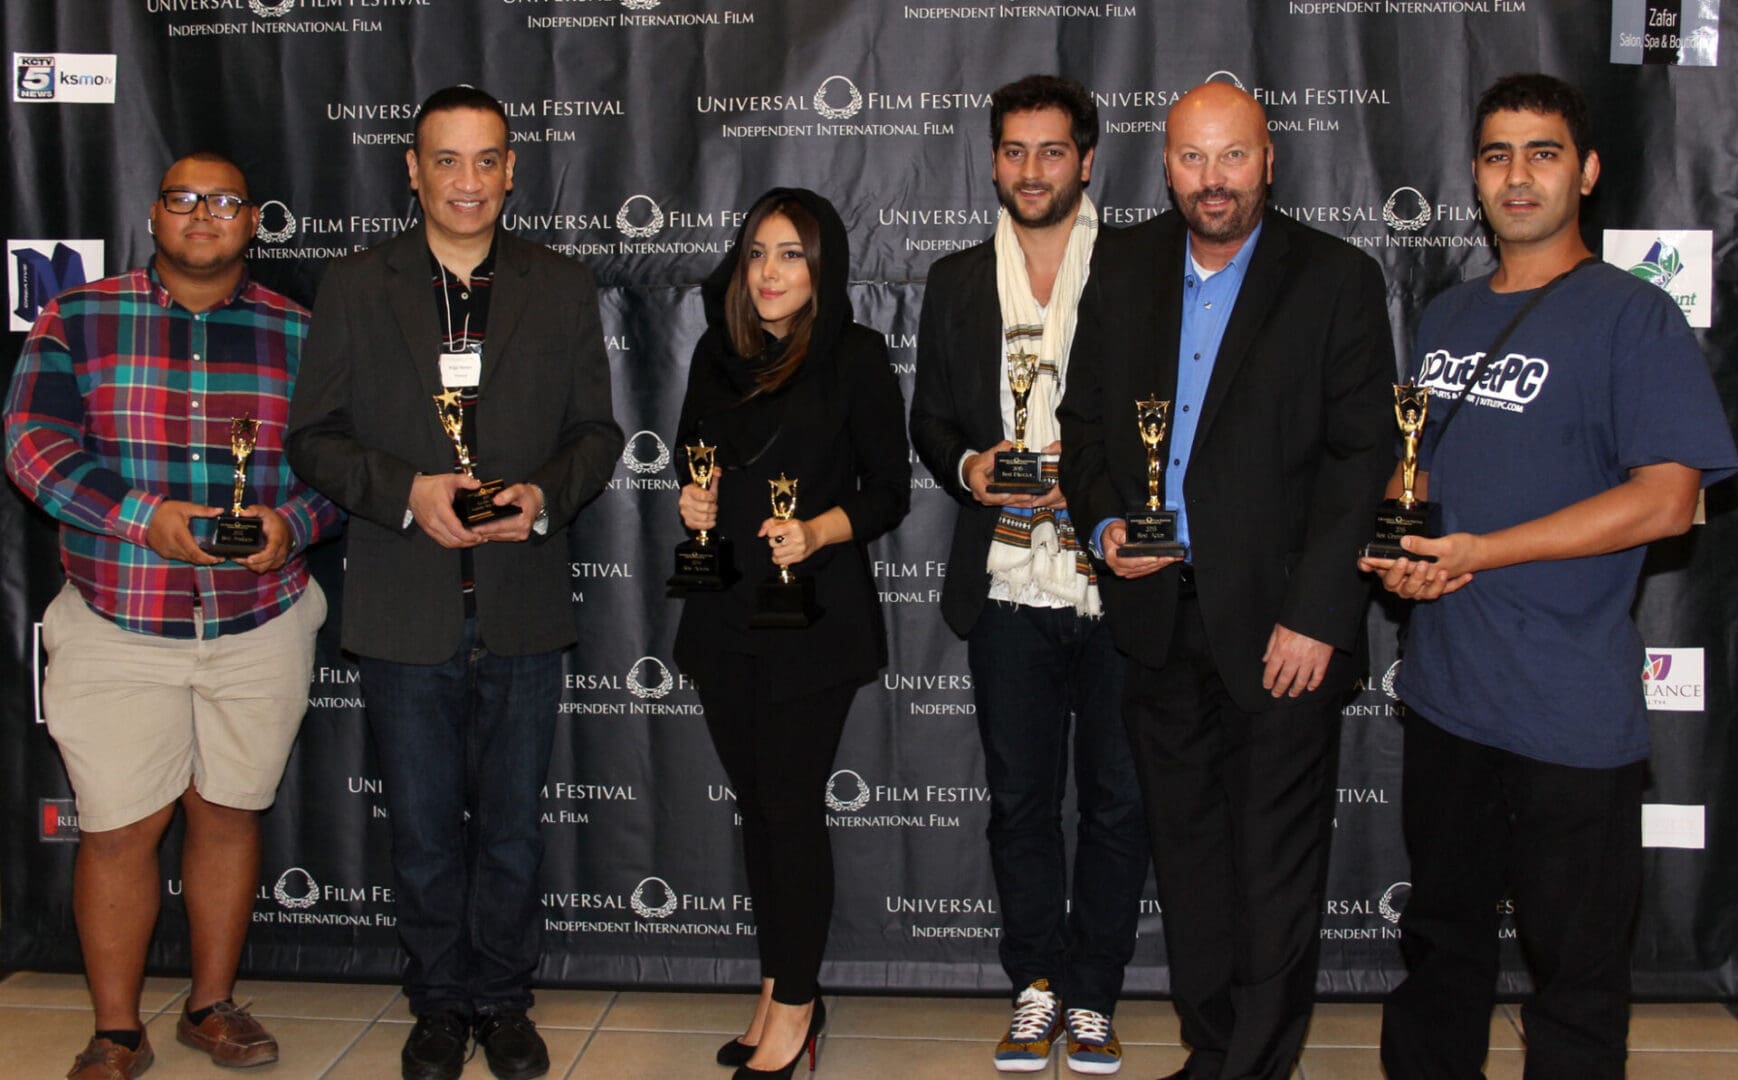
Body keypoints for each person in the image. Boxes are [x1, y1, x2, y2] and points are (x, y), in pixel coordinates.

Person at [1363, 73, 1738, 1080]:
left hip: (1567, 714)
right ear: (1474, 177)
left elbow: (1666, 499)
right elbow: (1426, 479)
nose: (1517, 175)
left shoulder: (1633, 317)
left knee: (1573, 981)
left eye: (1541, 152)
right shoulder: (1443, 317)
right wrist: (1408, 560)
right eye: (1495, 155)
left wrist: (1488, 550)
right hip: (1445, 696)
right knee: (1439, 951)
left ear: (1587, 171)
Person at [1058, 81, 1395, 1080]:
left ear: (1270, 161)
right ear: (1165, 166)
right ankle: (1214, 1050)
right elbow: (1082, 432)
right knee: (1191, 860)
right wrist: (1109, 525)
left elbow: (1360, 456)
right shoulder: (1120, 267)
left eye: (1233, 156)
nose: (1213, 181)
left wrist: (1316, 616)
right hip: (1159, 617)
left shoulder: (1333, 277)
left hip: (1283, 631)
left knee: (1274, 867)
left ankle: (1253, 1066)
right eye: (1193, 159)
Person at [285, 86, 622, 1080]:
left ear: (512, 169)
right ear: (412, 169)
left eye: (485, 161)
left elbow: (597, 435)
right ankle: (438, 1003)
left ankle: (503, 1000)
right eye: (446, 160)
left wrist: (541, 497)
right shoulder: (356, 284)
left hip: (518, 600)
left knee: (513, 832)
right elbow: (313, 437)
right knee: (426, 835)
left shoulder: (559, 286)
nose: (466, 181)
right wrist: (405, 492)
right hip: (404, 603)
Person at [3, 152, 341, 1079]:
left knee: (227, 813)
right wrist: (144, 519)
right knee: (117, 828)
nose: (204, 214)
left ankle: (210, 1005)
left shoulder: (302, 335)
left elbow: (341, 467)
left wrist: (292, 523)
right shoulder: (77, 317)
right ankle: (116, 1031)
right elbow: (32, 449)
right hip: (119, 617)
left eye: (225, 200)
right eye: (185, 199)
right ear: (153, 215)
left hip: (258, 620)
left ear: (252, 221)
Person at [909, 74, 1147, 1076]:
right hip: (1006, 586)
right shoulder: (957, 280)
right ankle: (1035, 985)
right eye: (1014, 150)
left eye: (1052, 151)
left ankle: (1092, 993)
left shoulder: (1142, 270)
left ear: (1086, 161)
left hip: (1116, 579)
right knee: (1017, 803)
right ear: (993, 160)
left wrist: (1092, 487)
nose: (1032, 169)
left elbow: (1168, 417)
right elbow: (931, 422)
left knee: (1118, 803)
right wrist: (971, 470)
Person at [673, 188, 910, 1079]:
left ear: (823, 269)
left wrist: (817, 532)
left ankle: (802, 1004)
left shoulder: (856, 355)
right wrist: (692, 500)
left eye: (793, 255)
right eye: (759, 253)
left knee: (790, 811)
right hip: (724, 611)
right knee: (758, 815)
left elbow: (889, 491)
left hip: (814, 622)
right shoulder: (713, 352)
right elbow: (696, 460)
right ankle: (776, 984)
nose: (771, 273)